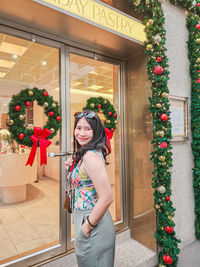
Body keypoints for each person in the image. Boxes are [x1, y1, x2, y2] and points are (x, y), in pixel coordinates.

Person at [64, 110, 115, 267]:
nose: (82, 133)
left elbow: (107, 197)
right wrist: (73, 167)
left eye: (88, 129)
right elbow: (86, 182)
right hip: (88, 218)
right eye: (79, 128)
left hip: (93, 222)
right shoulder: (87, 153)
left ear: (96, 131)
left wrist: (87, 227)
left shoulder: (90, 157)